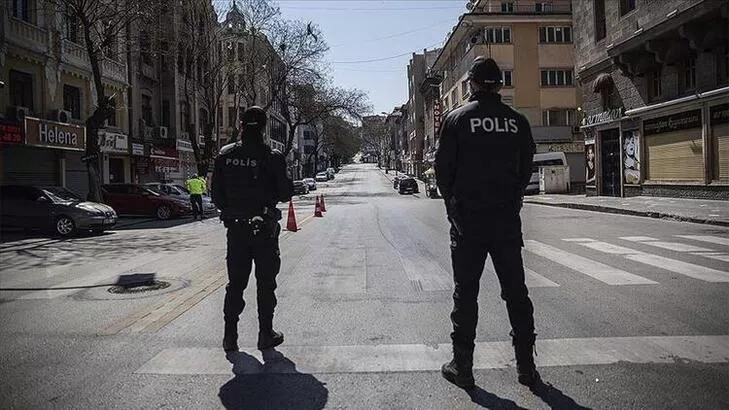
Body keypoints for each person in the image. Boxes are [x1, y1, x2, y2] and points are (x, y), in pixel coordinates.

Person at [435, 56, 538, 389]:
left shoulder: (455, 119)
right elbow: (526, 168)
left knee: (466, 295)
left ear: (472, 84)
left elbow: (443, 172)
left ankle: (462, 366)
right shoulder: (517, 121)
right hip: (506, 220)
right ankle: (526, 367)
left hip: (468, 223)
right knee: (516, 294)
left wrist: (454, 207)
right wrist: (514, 199)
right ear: (500, 85)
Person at [211, 106, 293, 353]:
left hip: (236, 231)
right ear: (265, 126)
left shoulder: (225, 155)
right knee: (266, 283)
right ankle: (265, 334)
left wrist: (233, 208)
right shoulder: (273, 156)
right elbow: (286, 193)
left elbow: (215, 195)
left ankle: (230, 337)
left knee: (235, 284)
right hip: (264, 231)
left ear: (241, 125)